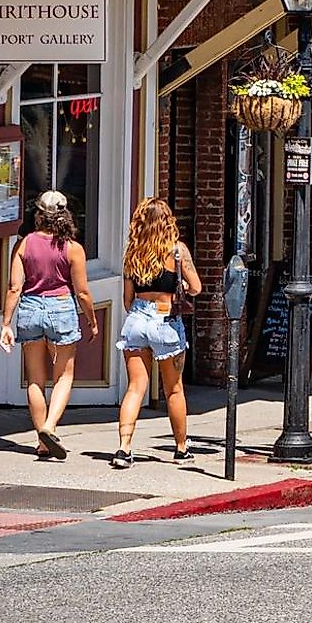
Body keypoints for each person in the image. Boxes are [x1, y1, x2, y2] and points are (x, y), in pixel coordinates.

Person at [0, 190, 93, 461]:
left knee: (35, 380)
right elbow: (83, 292)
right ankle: (50, 427)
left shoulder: (24, 244)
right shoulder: (73, 248)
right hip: (62, 307)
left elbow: (15, 287)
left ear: (38, 214)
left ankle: (41, 439)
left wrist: (6, 323)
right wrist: (92, 320)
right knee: (64, 375)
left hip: (30, 308)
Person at [113, 198, 201, 468]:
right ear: (168, 221)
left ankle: (124, 448)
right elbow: (196, 288)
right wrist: (183, 282)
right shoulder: (177, 251)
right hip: (165, 319)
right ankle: (181, 447)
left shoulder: (133, 252)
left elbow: (127, 300)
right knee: (173, 389)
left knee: (136, 386)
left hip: (137, 318)